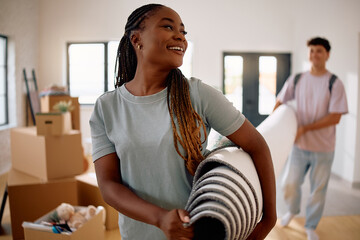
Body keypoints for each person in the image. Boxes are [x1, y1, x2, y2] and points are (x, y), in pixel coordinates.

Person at [90, 3, 276, 240]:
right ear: (137, 39)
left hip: (195, 234)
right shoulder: (107, 107)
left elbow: (257, 145)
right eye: (168, 27)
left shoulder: (198, 95)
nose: (180, 36)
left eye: (183, 31)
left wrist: (268, 218)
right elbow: (109, 186)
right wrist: (159, 218)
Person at [274, 37, 348, 240]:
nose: (315, 54)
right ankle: (292, 210)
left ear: (327, 55)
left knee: (318, 190)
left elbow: (336, 117)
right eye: (312, 50)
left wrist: (305, 128)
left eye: (319, 51)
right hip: (299, 145)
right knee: (289, 184)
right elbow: (280, 101)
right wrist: (274, 127)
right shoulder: (297, 79)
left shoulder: (335, 83)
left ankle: (311, 226)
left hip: (324, 148)